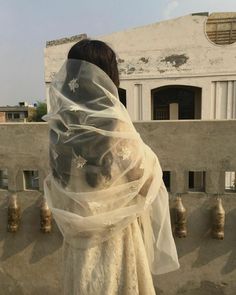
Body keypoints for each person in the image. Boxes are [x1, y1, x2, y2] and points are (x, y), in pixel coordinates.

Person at [43, 39, 180, 295]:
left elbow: (57, 186)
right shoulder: (118, 130)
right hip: (119, 244)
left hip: (78, 248)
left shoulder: (59, 133)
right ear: (107, 78)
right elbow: (147, 183)